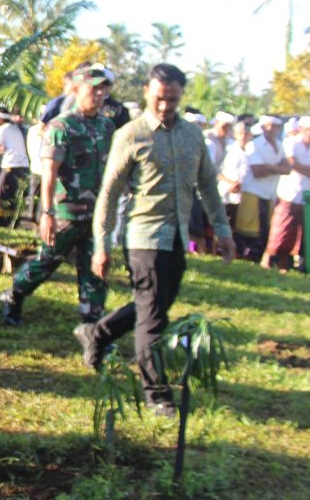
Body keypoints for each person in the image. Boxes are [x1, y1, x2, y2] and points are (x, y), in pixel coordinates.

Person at [78, 64, 235, 418]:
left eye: (173, 99)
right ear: (147, 91)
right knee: (153, 318)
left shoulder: (193, 136)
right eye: (160, 98)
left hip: (178, 235)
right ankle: (156, 393)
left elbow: (208, 185)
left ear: (182, 96)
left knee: (155, 307)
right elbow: (109, 192)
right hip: (144, 236)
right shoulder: (131, 135)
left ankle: (98, 333)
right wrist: (101, 244)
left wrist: (223, 230)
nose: (165, 106)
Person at [0, 66, 115, 326]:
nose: (98, 94)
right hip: (66, 211)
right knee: (47, 260)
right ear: (76, 89)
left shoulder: (106, 126)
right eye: (92, 88)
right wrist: (47, 213)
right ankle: (14, 295)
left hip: (96, 212)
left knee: (94, 266)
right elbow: (49, 172)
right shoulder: (62, 126)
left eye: (102, 89)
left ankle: (92, 320)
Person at [263, 116, 310, 273]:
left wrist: (302, 169)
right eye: (309, 130)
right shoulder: (291, 143)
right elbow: (291, 164)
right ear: (302, 129)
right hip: (289, 194)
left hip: (309, 197)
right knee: (282, 228)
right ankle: (271, 259)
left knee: (302, 233)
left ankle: (295, 263)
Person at [237, 115, 287, 261]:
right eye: (268, 126)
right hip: (254, 193)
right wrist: (278, 168)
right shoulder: (254, 145)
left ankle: (259, 260)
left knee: (265, 230)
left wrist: (268, 167)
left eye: (275, 127)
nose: (272, 130)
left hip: (270, 194)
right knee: (249, 231)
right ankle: (245, 259)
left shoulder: (279, 145)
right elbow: (257, 172)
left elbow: (288, 168)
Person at [217, 121, 251, 257]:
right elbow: (217, 169)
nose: (244, 135)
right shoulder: (228, 149)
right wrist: (230, 183)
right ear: (236, 134)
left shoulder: (250, 151)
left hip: (242, 195)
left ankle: (235, 252)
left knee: (237, 227)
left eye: (246, 133)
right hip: (227, 193)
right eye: (241, 133)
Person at [0, 111, 30, 226]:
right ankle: (14, 223)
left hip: (11, 165)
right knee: (16, 196)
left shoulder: (2, 129)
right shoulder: (15, 128)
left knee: (3, 194)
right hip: (23, 166)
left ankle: (2, 222)